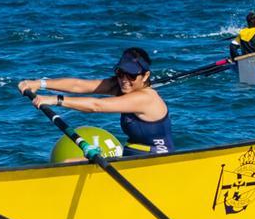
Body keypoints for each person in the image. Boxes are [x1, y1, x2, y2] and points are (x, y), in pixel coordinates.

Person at [18, 48, 174, 156]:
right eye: (121, 73)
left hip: (156, 160)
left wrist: (55, 100)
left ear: (145, 76)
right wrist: (40, 83)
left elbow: (97, 105)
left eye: (132, 75)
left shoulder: (146, 98)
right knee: (71, 161)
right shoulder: (121, 85)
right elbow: (79, 85)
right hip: (134, 154)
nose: (124, 80)